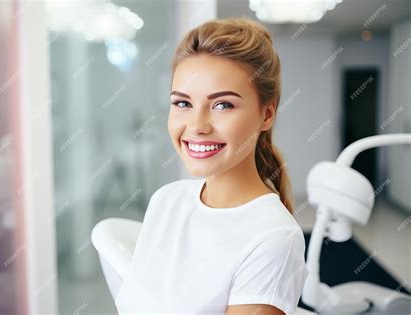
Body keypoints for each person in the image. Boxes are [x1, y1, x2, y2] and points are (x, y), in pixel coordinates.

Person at [115, 17, 309, 315]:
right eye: (182, 103)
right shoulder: (166, 200)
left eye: (222, 105)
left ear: (266, 114)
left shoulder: (274, 238)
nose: (196, 126)